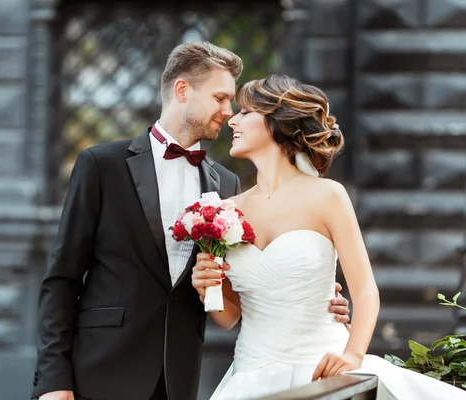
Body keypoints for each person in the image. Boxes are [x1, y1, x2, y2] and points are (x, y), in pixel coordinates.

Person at [32, 43, 351, 400]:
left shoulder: (227, 185)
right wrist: (52, 383)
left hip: (177, 377)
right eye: (220, 98)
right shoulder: (101, 165)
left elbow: (236, 289)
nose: (228, 112)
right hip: (100, 371)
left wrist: (314, 299)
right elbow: (62, 280)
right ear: (182, 90)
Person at [191, 74, 466, 399]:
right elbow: (228, 318)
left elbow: (365, 292)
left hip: (322, 369)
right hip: (249, 376)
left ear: (277, 122)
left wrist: (352, 355)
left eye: (245, 112)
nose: (232, 120)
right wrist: (206, 285)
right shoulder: (222, 211)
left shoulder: (328, 196)